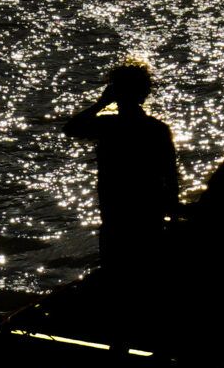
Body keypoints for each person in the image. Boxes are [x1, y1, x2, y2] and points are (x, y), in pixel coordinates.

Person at [58, 57, 182, 292]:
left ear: (115, 92)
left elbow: (70, 128)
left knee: (115, 273)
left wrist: (100, 103)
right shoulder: (157, 129)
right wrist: (173, 214)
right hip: (149, 210)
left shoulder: (107, 126)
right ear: (144, 93)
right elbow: (171, 176)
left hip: (116, 210)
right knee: (147, 273)